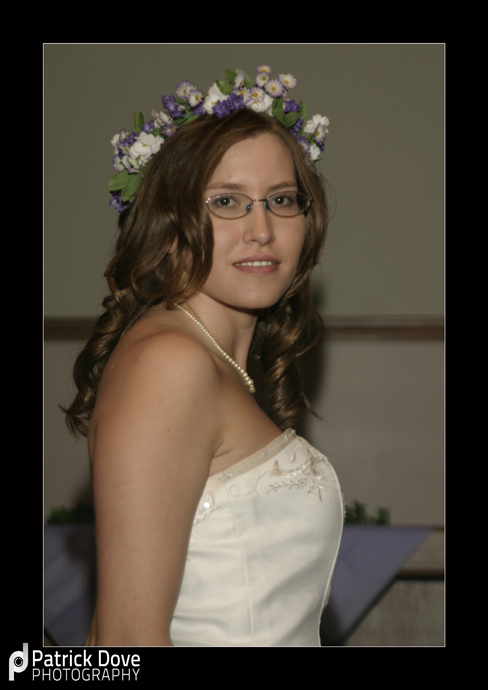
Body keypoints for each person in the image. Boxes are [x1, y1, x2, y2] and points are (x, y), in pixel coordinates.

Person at [64, 65, 344, 647]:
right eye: (226, 201)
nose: (262, 229)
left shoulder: (214, 360)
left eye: (281, 200)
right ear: (168, 227)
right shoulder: (170, 363)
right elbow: (123, 643)